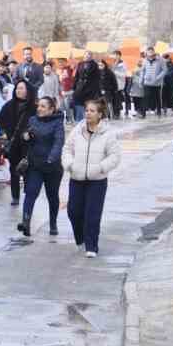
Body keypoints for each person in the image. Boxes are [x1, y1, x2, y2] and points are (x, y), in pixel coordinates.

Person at [61, 100, 122, 258]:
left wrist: (101, 168)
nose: (88, 113)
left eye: (92, 111)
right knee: (73, 211)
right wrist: (69, 164)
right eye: (87, 110)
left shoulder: (107, 134)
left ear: (100, 114)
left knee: (92, 214)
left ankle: (91, 245)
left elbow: (115, 156)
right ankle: (80, 237)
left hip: (97, 181)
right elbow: (67, 149)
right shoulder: (78, 130)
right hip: (77, 177)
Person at [18, 96, 66, 237]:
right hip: (35, 165)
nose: (39, 108)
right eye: (39, 106)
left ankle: (53, 223)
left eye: (43, 106)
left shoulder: (58, 122)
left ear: (51, 109)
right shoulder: (33, 120)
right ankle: (25, 222)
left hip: (52, 166)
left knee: (52, 196)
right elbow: (25, 136)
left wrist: (52, 157)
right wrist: (26, 136)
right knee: (31, 192)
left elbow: (59, 141)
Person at [0, 81, 35, 206]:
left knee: (27, 168)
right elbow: (1, 121)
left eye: (22, 88)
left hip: (28, 144)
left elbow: (38, 123)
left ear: (27, 91)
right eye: (17, 88)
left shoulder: (34, 107)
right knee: (14, 169)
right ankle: (15, 196)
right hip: (13, 143)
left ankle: (29, 194)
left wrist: (30, 133)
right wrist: (3, 132)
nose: (19, 91)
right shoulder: (9, 105)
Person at [71, 51, 105, 120]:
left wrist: (98, 89)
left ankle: (88, 119)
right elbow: (77, 76)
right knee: (78, 103)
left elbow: (97, 78)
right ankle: (79, 119)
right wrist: (74, 86)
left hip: (90, 88)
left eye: (89, 56)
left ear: (91, 57)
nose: (87, 57)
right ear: (84, 56)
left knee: (88, 104)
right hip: (80, 87)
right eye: (86, 55)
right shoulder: (80, 64)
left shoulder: (95, 65)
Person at [138, 48, 166, 116]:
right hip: (147, 82)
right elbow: (143, 71)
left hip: (157, 83)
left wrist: (157, 78)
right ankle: (143, 113)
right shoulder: (145, 60)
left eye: (151, 52)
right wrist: (140, 80)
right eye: (148, 53)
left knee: (157, 97)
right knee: (145, 97)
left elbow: (164, 70)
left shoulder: (160, 60)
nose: (150, 55)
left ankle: (159, 111)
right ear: (147, 53)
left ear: (153, 52)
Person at [111, 52, 132, 117]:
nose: (115, 56)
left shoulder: (123, 64)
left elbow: (124, 74)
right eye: (114, 55)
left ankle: (118, 112)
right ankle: (114, 112)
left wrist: (115, 72)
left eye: (117, 55)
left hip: (120, 83)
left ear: (120, 56)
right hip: (112, 84)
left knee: (118, 99)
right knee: (114, 99)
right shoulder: (111, 63)